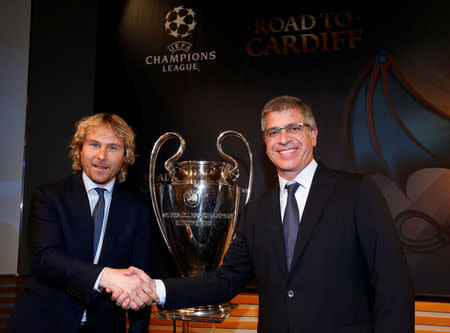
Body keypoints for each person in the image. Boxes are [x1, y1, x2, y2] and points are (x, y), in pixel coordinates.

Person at [114, 96, 415, 332]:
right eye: (274, 131)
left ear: (314, 135)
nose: (284, 138)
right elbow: (225, 280)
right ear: (266, 142)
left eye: (294, 128)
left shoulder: (358, 192)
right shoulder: (257, 211)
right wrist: (155, 288)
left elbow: (393, 286)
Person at [6, 113, 159, 333]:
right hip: (44, 322)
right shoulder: (49, 196)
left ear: (125, 155)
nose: (102, 156)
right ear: (80, 149)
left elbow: (140, 284)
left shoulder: (138, 212)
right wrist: (106, 276)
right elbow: (44, 258)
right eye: (94, 144)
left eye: (113, 147)